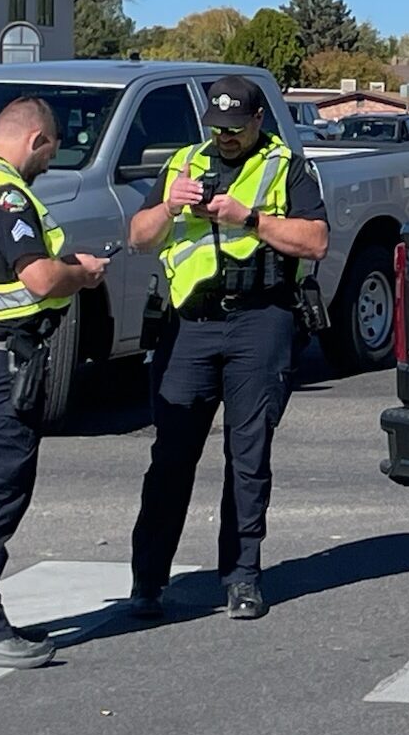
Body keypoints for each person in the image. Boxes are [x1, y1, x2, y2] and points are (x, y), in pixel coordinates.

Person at [125, 76, 328, 621]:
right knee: (171, 456)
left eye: (237, 128)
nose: (227, 138)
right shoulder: (183, 163)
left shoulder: (288, 166)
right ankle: (147, 579)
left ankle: (242, 577)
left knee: (248, 456)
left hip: (261, 319)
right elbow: (138, 238)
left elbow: (317, 241)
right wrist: (169, 207)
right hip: (190, 324)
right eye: (219, 128)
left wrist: (251, 219)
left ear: (258, 120)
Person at [0, 96, 108, 669]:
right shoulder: (5, 193)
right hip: (2, 363)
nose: (49, 163)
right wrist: (80, 273)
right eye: (51, 150)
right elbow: (38, 276)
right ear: (36, 141)